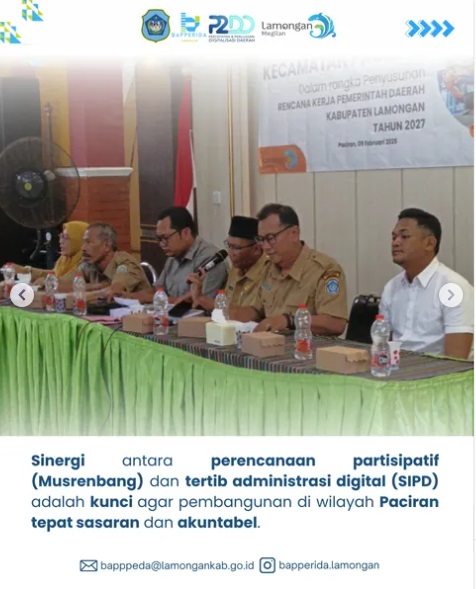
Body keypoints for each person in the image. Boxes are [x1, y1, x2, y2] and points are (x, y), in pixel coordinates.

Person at [231, 203, 348, 335]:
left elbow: (336, 324)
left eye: (271, 238)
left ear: (294, 233)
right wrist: (224, 314)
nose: (265, 247)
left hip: (307, 346)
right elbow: (256, 311)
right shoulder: (268, 268)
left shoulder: (324, 270)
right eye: (261, 239)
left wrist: (290, 321)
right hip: (271, 344)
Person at [380, 208, 473, 359]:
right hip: (398, 368)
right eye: (394, 237)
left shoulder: (453, 288)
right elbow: (383, 345)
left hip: (440, 371)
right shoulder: (392, 287)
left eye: (404, 236)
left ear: (430, 243)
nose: (395, 243)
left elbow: (456, 360)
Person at [128, 206, 228, 304]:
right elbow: (158, 290)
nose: (162, 244)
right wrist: (129, 296)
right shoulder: (173, 257)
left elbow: (201, 303)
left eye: (165, 238)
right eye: (159, 239)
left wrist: (150, 299)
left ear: (186, 233)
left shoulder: (210, 259)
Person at [180, 215, 269, 311]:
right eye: (228, 246)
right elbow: (225, 307)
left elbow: (248, 315)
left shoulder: (269, 273)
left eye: (236, 247)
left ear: (256, 249)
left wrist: (202, 299)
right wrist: (197, 296)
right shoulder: (236, 268)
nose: (230, 253)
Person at [60, 222, 150, 296]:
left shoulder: (125, 263)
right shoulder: (88, 265)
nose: (83, 248)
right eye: (83, 242)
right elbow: (57, 286)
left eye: (88, 242)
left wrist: (81, 291)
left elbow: (114, 292)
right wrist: (95, 286)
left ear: (106, 246)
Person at [10, 220, 89, 286]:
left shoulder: (85, 264)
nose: (61, 241)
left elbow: (66, 282)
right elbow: (54, 274)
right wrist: (25, 270)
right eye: (61, 236)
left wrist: (46, 282)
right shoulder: (64, 260)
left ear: (79, 240)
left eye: (66, 237)